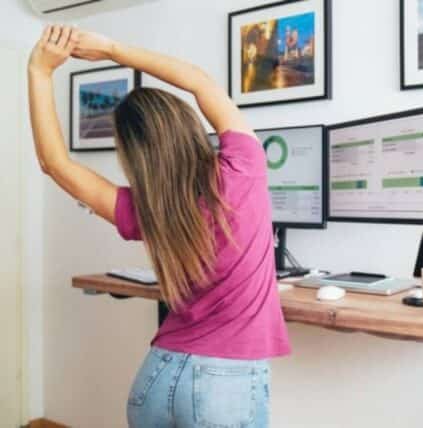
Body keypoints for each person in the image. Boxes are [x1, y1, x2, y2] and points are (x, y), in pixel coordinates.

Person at [28, 25, 290, 427]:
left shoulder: (147, 210)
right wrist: (112, 48)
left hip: (158, 376)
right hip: (226, 387)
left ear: (133, 157)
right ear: (187, 124)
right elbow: (199, 82)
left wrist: (40, 72)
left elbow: (55, 164)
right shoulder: (243, 166)